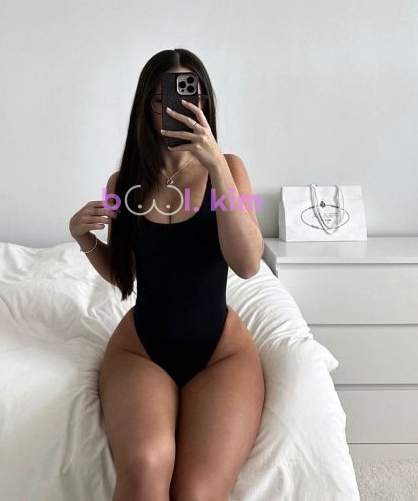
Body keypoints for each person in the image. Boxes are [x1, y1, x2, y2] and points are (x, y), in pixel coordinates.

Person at [69, 48, 265, 501]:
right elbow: (124, 275)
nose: (173, 106)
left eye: (187, 93)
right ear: (146, 105)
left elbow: (248, 263)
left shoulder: (231, 169)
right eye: (161, 97)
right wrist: (82, 238)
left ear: (203, 101)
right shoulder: (122, 184)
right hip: (141, 350)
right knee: (145, 467)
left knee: (196, 492)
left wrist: (216, 166)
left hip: (220, 355)